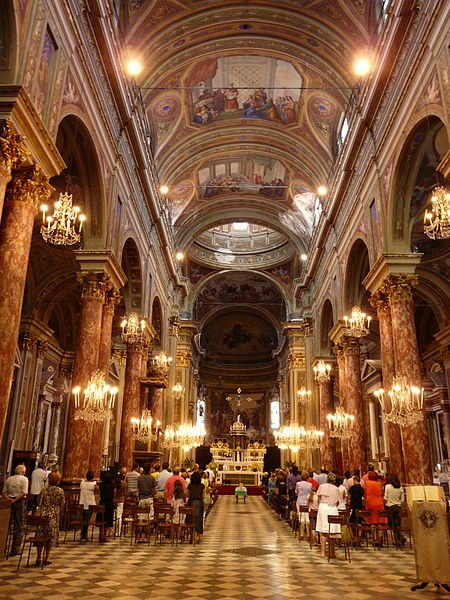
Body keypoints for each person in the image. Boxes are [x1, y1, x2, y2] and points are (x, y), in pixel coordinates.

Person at [35, 471, 65, 566]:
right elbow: (62, 503)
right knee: (50, 536)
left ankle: (38, 557)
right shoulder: (60, 491)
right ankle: (46, 557)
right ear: (58, 481)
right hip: (53, 515)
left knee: (40, 535)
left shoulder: (44, 490)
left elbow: (38, 500)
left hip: (43, 514)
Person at [3, 464, 29, 556]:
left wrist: (9, 500)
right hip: (19, 503)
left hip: (9, 502)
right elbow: (24, 492)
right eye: (24, 472)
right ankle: (15, 549)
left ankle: (3, 547)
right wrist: (15, 500)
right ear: (22, 472)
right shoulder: (24, 479)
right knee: (19, 525)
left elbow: (4, 492)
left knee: (7, 525)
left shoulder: (9, 479)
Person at [316, 472, 340, 558]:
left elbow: (318, 498)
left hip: (323, 507)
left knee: (323, 531)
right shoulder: (336, 489)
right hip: (332, 509)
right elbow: (337, 502)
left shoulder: (322, 486)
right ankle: (332, 552)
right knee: (332, 531)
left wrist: (321, 505)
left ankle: (323, 552)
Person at [384, 474, 405, 546]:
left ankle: (398, 540)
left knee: (391, 524)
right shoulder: (400, 488)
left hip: (390, 507)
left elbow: (385, 497)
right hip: (398, 507)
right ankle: (399, 538)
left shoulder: (387, 487)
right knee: (397, 524)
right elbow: (402, 500)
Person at [187, 471, 204, 543]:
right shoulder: (202, 485)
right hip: (199, 502)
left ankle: (191, 537)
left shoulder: (190, 485)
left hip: (191, 502)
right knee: (199, 519)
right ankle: (199, 537)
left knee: (191, 519)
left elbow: (188, 494)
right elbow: (203, 494)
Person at [79, 471, 97, 543]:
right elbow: (96, 490)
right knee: (86, 520)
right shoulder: (94, 484)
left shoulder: (82, 483)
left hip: (82, 502)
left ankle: (83, 535)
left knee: (83, 519)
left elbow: (82, 481)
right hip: (90, 503)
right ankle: (83, 536)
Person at [295, 470, 312, 539]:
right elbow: (310, 493)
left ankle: (301, 535)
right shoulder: (310, 485)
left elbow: (296, 492)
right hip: (307, 502)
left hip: (299, 502)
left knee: (301, 517)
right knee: (307, 518)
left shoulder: (298, 484)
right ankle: (308, 535)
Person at [138, 462, 156, 528]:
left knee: (141, 516)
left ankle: (140, 532)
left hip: (141, 497)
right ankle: (147, 532)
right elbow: (153, 490)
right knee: (150, 517)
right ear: (150, 469)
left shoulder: (139, 478)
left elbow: (138, 488)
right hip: (149, 497)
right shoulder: (152, 478)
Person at [98, 470, 115, 541]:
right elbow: (113, 495)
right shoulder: (112, 486)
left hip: (102, 502)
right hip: (109, 503)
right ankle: (104, 535)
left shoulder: (101, 486)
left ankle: (100, 534)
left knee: (101, 519)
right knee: (107, 520)